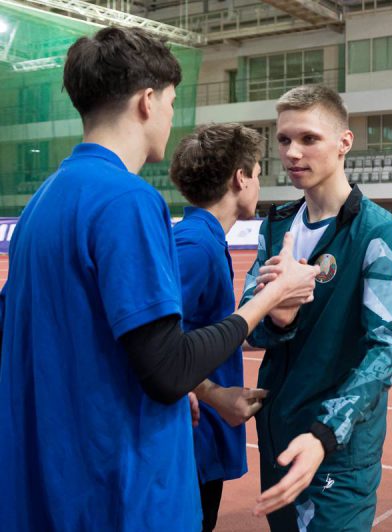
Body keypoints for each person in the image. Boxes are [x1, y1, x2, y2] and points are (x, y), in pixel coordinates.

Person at [0, 27, 317, 531]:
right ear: (147, 101)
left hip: (55, 484)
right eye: (171, 102)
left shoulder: (43, 201)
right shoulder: (128, 199)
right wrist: (270, 296)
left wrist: (193, 384)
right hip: (123, 492)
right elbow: (168, 369)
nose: (171, 116)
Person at [240, 84, 392, 531]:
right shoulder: (276, 227)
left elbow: (387, 348)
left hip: (338, 447)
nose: (292, 152)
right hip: (279, 435)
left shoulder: (380, 233)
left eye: (309, 138)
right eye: (284, 140)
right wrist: (279, 317)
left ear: (344, 142)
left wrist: (324, 434)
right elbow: (248, 322)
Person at [170, 123, 269, 531]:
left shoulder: (204, 239)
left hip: (198, 435)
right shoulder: (196, 246)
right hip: (190, 436)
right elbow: (152, 344)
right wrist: (214, 395)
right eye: (258, 173)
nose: (259, 184)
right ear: (240, 178)